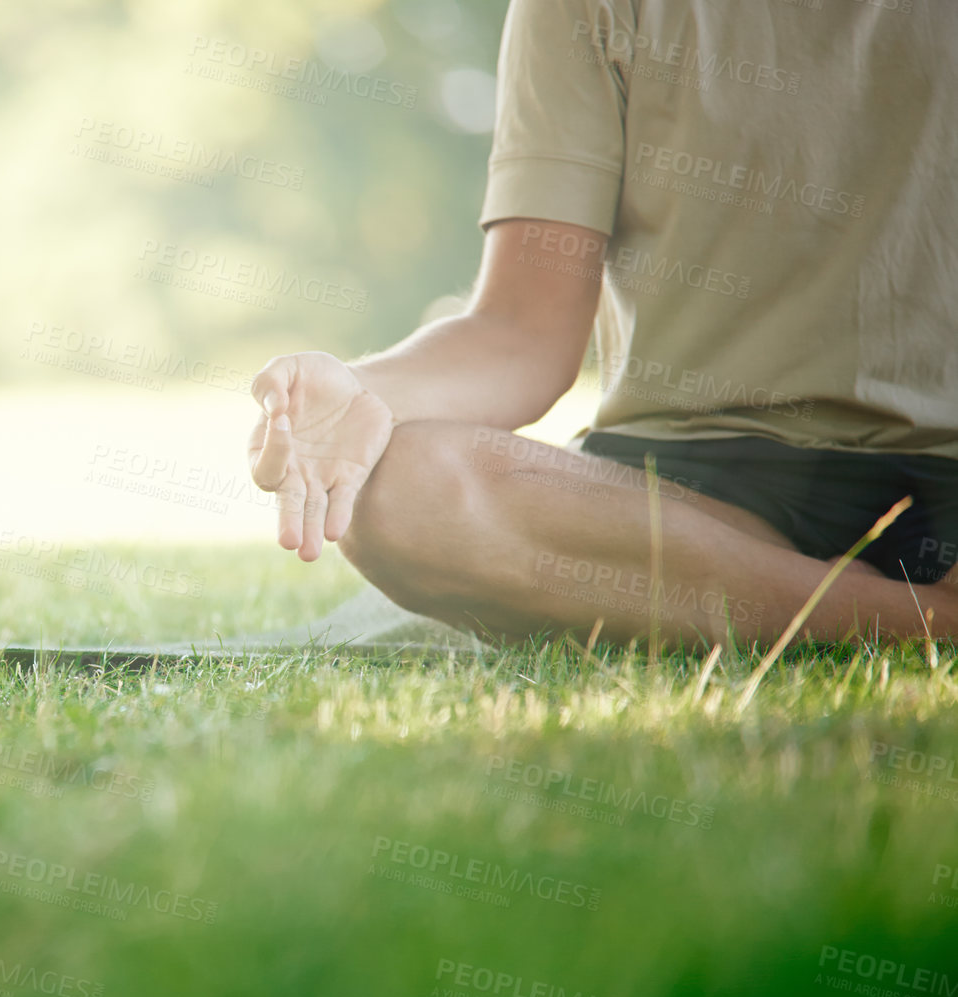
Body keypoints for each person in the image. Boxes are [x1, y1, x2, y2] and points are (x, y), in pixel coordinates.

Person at [248, 0, 958, 646]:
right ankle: (916, 624)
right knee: (404, 495)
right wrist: (358, 390)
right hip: (694, 502)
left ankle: (781, 606)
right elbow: (521, 334)